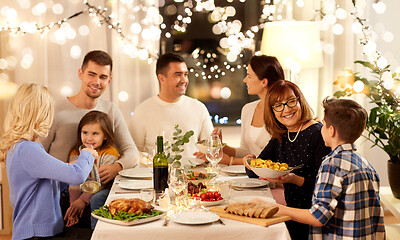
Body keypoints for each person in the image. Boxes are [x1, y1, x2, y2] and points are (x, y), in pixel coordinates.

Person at [255, 98, 386, 239]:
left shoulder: (332, 164)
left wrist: (274, 208)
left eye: (323, 124)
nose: (320, 128)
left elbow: (318, 217)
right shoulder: (365, 164)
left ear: (331, 130)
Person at [0, 83, 98, 240]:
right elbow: (77, 176)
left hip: (43, 232)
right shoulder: (28, 149)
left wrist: (69, 168)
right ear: (41, 114)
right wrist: (86, 154)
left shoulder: (24, 147)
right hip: (36, 235)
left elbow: (46, 185)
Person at [243, 80, 331, 240]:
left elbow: (326, 188)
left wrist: (295, 180)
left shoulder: (317, 134)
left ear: (300, 101)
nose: (286, 109)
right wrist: (250, 163)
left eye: (291, 101)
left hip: (315, 218)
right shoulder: (281, 136)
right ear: (272, 111)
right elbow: (255, 173)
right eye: (278, 105)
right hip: (292, 212)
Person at [41, 50, 140, 182]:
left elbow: (132, 152)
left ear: (109, 80)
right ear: (80, 73)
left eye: (103, 77)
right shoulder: (53, 110)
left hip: (97, 190)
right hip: (58, 190)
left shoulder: (111, 110)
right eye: (92, 74)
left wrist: (117, 167)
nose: (97, 82)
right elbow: (37, 154)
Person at [130, 53, 213, 157]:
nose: (184, 80)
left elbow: (210, 148)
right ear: (161, 79)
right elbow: (134, 152)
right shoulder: (142, 111)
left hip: (195, 172)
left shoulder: (199, 108)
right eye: (178, 75)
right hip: (156, 172)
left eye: (185, 74)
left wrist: (207, 154)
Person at [215, 55, 284, 166]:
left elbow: (276, 161)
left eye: (249, 76)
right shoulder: (248, 109)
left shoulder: (283, 112)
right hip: (250, 178)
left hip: (271, 179)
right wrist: (219, 145)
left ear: (264, 82)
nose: (244, 80)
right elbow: (245, 152)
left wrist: (230, 162)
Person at [64, 111, 119, 229]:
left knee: (97, 198)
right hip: (82, 188)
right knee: (64, 190)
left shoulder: (109, 153)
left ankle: (96, 231)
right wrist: (74, 203)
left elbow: (101, 182)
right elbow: (73, 179)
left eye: (95, 133)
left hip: (103, 188)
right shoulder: (75, 152)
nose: (89, 138)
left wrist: (82, 201)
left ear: (105, 135)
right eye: (85, 133)